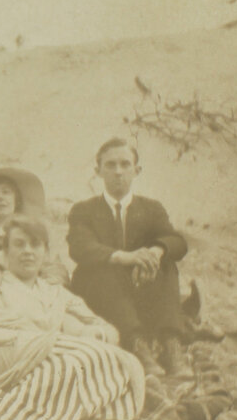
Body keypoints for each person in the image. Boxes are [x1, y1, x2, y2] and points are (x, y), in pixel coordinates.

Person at [0, 216, 151, 420]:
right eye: (19, 244)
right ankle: (6, 408)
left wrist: (91, 333)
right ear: (5, 252)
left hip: (50, 354)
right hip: (3, 353)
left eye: (35, 245)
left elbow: (107, 329)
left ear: (45, 253)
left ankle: (58, 413)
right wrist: (56, 334)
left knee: (121, 359)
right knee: (75, 363)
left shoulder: (55, 292)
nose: (28, 251)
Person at [67, 138, 189, 378]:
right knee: (103, 268)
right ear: (98, 171)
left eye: (125, 164)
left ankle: (171, 344)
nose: (118, 172)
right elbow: (80, 248)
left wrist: (155, 253)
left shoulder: (151, 208)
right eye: (110, 165)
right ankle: (136, 344)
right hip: (99, 292)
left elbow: (177, 241)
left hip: (140, 290)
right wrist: (127, 257)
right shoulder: (84, 210)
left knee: (167, 265)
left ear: (137, 170)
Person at [0, 167, 68, 285]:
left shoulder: (36, 232)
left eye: (6, 192)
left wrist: (40, 288)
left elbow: (56, 271)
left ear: (17, 199)